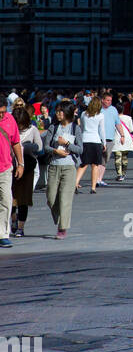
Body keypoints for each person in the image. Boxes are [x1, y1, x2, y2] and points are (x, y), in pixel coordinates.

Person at [43, 104, 81, 240]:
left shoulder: (75, 128)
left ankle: (62, 228)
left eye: (61, 111)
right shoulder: (53, 128)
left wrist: (66, 144)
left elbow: (80, 149)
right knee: (51, 198)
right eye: (57, 111)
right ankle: (60, 218)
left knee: (65, 199)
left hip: (69, 167)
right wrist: (55, 150)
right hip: (54, 166)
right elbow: (45, 147)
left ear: (67, 113)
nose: (58, 114)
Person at [10, 103, 42, 237]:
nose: (19, 128)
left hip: (27, 168)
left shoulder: (32, 130)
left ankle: (21, 227)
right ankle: (13, 220)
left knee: (23, 200)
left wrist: (28, 147)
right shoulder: (10, 130)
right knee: (10, 199)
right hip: (11, 168)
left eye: (21, 125)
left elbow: (40, 148)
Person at [0, 96, 24, 249]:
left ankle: (3, 234)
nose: (2, 115)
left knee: (6, 200)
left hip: (5, 167)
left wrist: (20, 163)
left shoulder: (9, 119)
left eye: (3, 112)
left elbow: (15, 142)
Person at [75, 96, 107, 195]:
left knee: (83, 164)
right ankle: (93, 187)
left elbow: (82, 127)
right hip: (95, 140)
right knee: (95, 165)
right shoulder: (100, 115)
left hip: (85, 139)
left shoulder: (84, 114)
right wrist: (104, 142)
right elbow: (101, 130)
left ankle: (75, 183)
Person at [94, 91, 120, 188]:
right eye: (107, 100)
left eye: (111, 101)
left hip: (109, 138)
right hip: (98, 138)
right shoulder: (97, 109)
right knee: (96, 160)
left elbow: (118, 123)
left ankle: (99, 179)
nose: (109, 102)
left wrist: (122, 135)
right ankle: (95, 179)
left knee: (104, 160)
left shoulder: (113, 109)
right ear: (102, 100)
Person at [110, 112, 133, 182]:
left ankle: (119, 174)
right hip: (126, 139)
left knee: (117, 157)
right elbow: (131, 129)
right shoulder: (128, 118)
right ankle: (123, 174)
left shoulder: (113, 118)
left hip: (116, 138)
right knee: (125, 157)